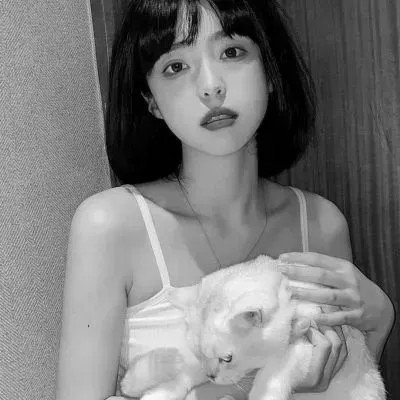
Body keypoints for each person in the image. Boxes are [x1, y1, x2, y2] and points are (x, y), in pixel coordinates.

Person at [55, 0, 394, 399]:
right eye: (175, 66)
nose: (211, 86)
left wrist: (379, 323)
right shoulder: (110, 225)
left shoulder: (320, 225)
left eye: (232, 51)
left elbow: (350, 382)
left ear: (270, 70)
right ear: (151, 100)